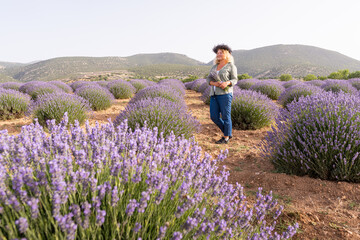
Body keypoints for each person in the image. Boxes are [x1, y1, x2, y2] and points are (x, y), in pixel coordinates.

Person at [206, 44, 238, 144]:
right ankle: (228, 132)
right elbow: (208, 79)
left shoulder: (231, 66)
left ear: (227, 54)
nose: (219, 54)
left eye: (221, 52)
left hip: (225, 94)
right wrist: (214, 83)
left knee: (225, 116)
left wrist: (227, 83)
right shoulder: (214, 67)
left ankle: (226, 137)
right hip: (214, 94)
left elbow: (235, 79)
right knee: (214, 116)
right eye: (218, 53)